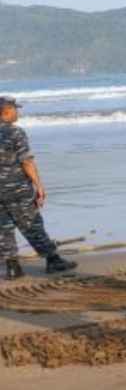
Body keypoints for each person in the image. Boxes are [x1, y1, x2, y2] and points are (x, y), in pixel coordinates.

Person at [0, 96, 77, 280]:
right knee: (32, 224)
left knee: (3, 229)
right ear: (7, 111)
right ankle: (53, 260)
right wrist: (39, 185)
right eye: (16, 109)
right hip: (16, 188)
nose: (18, 112)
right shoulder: (14, 132)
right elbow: (26, 161)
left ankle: (12, 267)